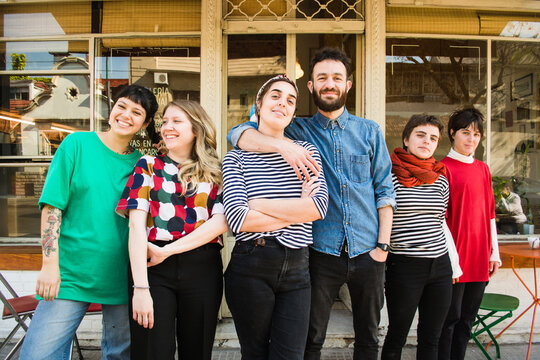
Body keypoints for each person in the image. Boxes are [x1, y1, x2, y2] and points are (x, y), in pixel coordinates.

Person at [227, 48, 395, 360]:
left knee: (370, 336)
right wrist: (281, 146)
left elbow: (384, 191)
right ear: (312, 86)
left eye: (336, 78)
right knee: (310, 338)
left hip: (368, 249)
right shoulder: (298, 129)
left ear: (348, 85)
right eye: (322, 78)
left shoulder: (369, 131)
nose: (329, 84)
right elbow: (238, 133)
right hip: (320, 251)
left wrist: (382, 247)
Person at [20, 85, 159, 359]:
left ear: (146, 123)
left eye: (136, 112)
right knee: (38, 354)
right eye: (121, 106)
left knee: (119, 355)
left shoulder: (144, 165)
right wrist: (49, 265)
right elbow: (52, 207)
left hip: (122, 277)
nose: (126, 115)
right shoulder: (77, 144)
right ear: (112, 109)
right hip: (70, 273)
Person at [222, 74, 329, 360]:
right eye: (275, 96)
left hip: (298, 269)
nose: (283, 103)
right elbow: (238, 219)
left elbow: (318, 207)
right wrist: (297, 208)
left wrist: (259, 203)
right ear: (258, 104)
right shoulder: (236, 158)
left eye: (290, 100)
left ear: (294, 112)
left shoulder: (307, 152)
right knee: (254, 354)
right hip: (250, 265)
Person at [115, 100, 227, 360]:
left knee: (197, 351)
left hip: (202, 267)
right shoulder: (148, 165)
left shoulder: (216, 172)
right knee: (152, 352)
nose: (167, 127)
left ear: (196, 129)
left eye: (177, 121)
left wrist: (169, 251)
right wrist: (140, 289)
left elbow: (220, 223)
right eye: (164, 121)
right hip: (153, 269)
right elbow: (135, 226)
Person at [381, 115, 462, 360]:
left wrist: (454, 266)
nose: (427, 142)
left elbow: (440, 224)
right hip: (404, 265)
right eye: (420, 135)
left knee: (431, 338)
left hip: (440, 266)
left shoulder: (441, 178)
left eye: (433, 138)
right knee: (397, 335)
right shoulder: (388, 176)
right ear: (406, 139)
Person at [438, 107, 501, 360]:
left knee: (467, 322)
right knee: (448, 322)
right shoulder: (442, 168)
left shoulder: (483, 169)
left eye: (476, 134)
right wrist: (452, 263)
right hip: (454, 260)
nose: (471, 139)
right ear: (453, 133)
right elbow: (439, 220)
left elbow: (490, 214)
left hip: (479, 258)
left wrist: (494, 252)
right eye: (465, 132)